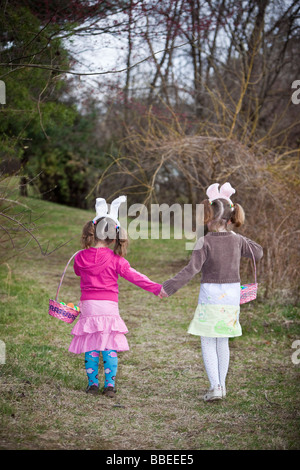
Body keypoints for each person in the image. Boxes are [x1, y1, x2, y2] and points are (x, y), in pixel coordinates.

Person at [160, 183, 263, 402]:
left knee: (208, 340)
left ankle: (215, 386)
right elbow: (258, 252)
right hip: (232, 297)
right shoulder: (237, 240)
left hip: (211, 297)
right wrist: (236, 234)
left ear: (210, 218)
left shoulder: (204, 242)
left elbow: (191, 270)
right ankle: (221, 386)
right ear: (230, 218)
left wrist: (169, 287)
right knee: (222, 340)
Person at [68, 196, 162, 397]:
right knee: (109, 345)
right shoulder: (117, 260)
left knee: (91, 345)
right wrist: (156, 288)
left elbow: (77, 271)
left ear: (92, 233)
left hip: (89, 307)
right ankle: (109, 385)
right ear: (113, 237)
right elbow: (136, 277)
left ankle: (93, 384)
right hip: (109, 308)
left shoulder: (80, 257)